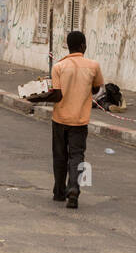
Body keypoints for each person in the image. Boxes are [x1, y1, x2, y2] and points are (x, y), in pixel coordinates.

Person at [27, 30, 104, 209]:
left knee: (60, 156)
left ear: (68, 47)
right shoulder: (93, 66)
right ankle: (74, 188)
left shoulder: (59, 67)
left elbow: (57, 95)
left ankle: (59, 192)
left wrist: (35, 99)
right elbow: (97, 89)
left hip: (60, 119)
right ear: (83, 45)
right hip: (80, 120)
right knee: (77, 155)